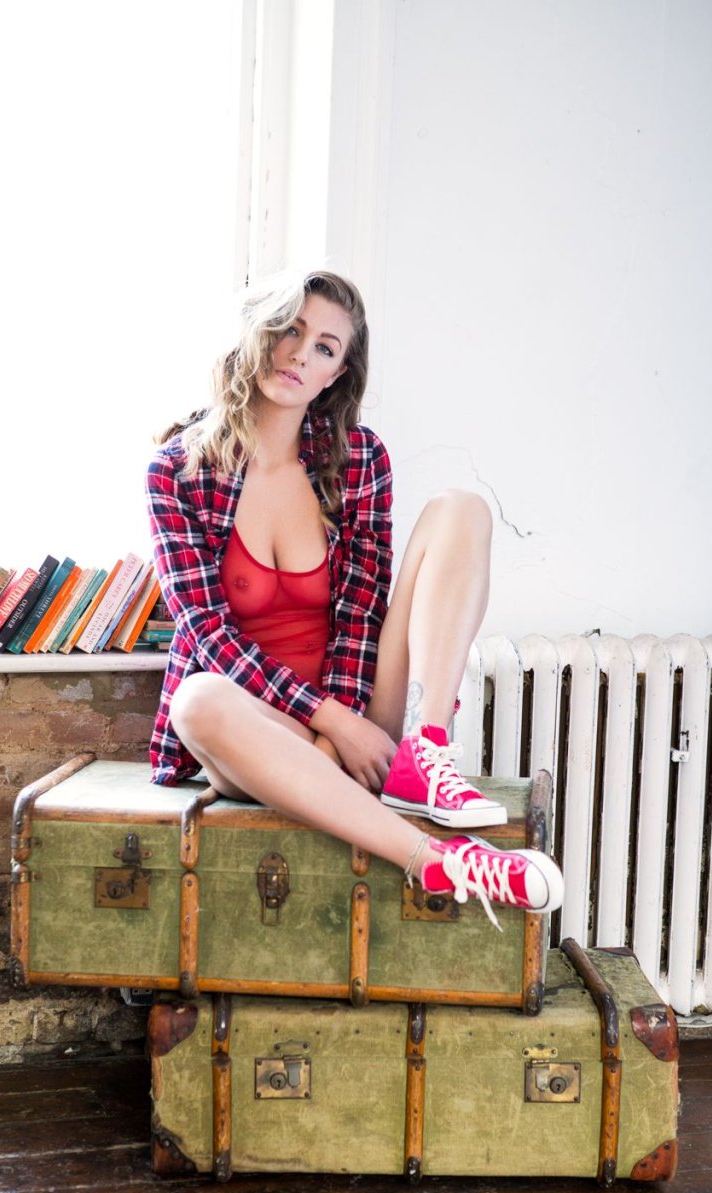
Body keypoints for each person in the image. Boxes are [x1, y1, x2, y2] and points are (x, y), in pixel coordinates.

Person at [146, 269, 562, 927]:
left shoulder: (358, 458)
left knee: (461, 508)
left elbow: (362, 613)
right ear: (258, 334)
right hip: (263, 728)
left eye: (324, 347)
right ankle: (438, 861)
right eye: (289, 330)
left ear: (335, 374)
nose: (297, 355)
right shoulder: (177, 471)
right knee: (197, 702)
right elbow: (207, 635)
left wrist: (346, 729)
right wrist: (329, 728)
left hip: (366, 708)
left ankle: (425, 752)